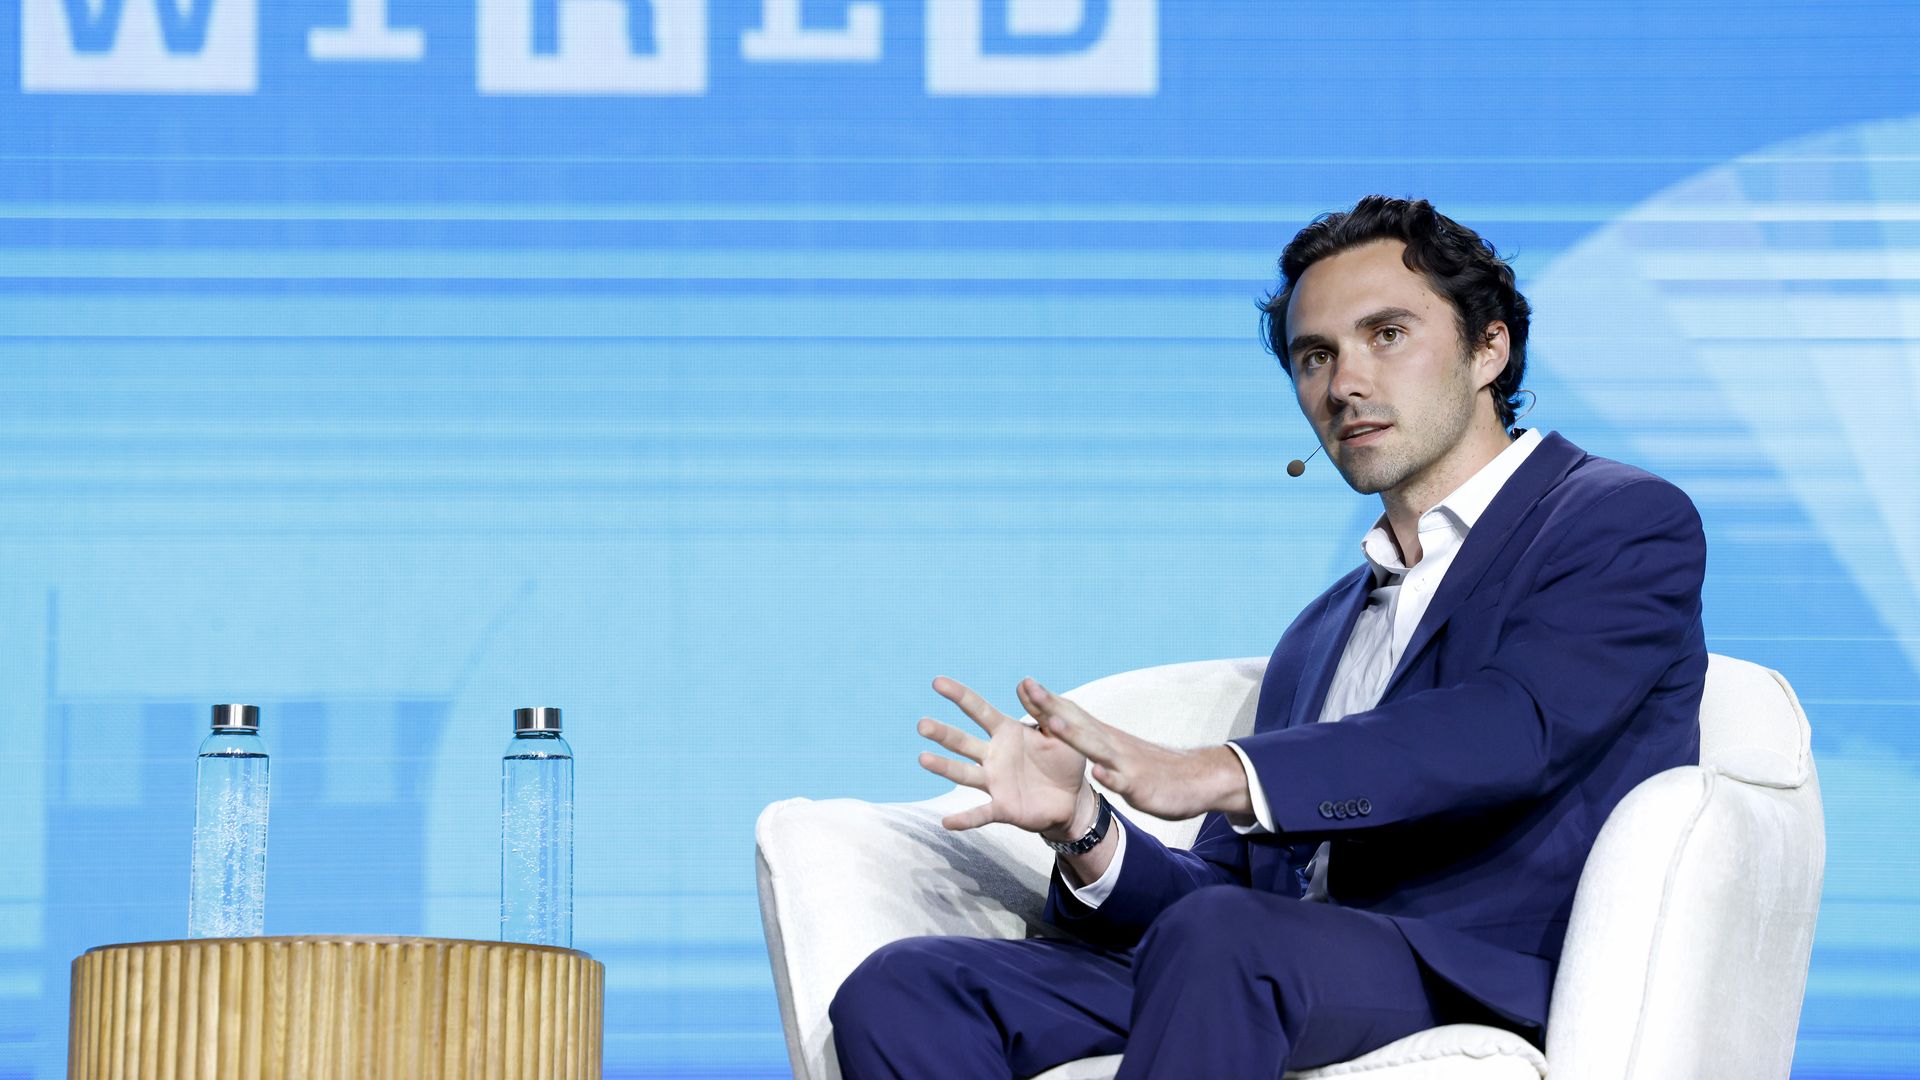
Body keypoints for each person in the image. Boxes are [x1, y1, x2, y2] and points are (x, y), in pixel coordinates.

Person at [828, 195, 1707, 1079]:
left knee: (1228, 943)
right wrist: (1085, 826)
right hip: (1260, 960)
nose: (1344, 384)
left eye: (1387, 335)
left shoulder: (1616, 521)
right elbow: (1227, 892)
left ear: (1490, 348)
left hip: (1471, 971)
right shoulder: (1321, 630)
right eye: (1314, 356)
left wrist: (1220, 769)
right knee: (908, 987)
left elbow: (1512, 727)